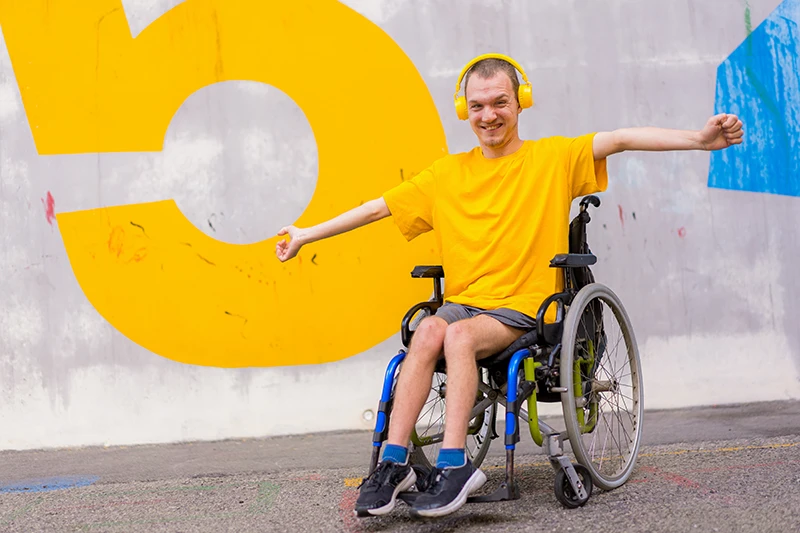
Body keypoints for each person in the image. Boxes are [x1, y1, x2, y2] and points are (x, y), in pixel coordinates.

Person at [275, 53, 744, 518]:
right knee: (429, 329)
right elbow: (377, 208)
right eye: (477, 106)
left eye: (500, 102)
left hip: (525, 308)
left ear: (521, 102)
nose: (489, 115)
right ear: (464, 110)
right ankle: (394, 463)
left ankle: (455, 465)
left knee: (459, 335)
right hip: (465, 304)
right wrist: (305, 235)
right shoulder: (446, 175)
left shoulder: (552, 158)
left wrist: (699, 141)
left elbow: (621, 138)